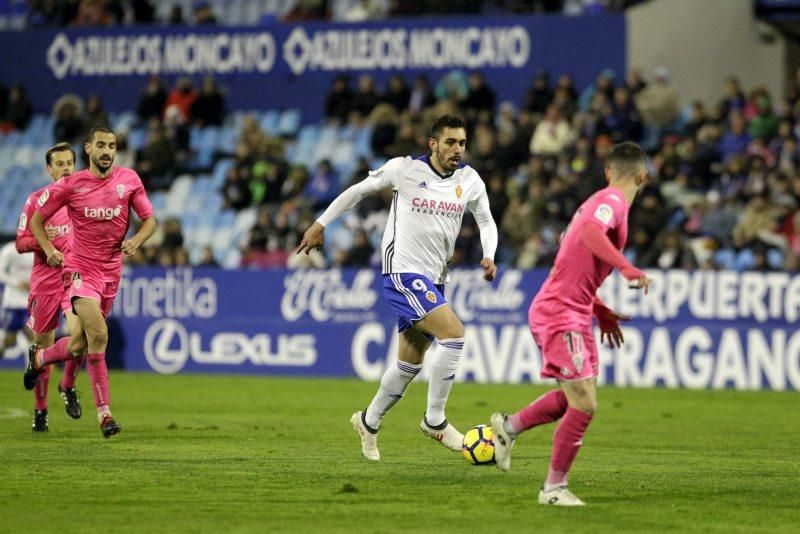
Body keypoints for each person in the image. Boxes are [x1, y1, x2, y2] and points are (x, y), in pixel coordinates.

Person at [297, 114, 498, 460]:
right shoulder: (404, 170)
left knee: (410, 363)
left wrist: (489, 254)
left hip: (435, 276)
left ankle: (368, 421)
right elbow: (359, 191)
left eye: (463, 143)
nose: (458, 150)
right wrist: (320, 223)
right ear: (432, 143)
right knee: (454, 334)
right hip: (402, 271)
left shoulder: (470, 180)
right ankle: (435, 421)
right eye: (450, 142)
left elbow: (485, 219)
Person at [489, 142, 652, 506]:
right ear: (643, 177)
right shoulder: (611, 203)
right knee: (585, 404)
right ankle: (553, 489)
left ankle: (509, 427)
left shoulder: (594, 202)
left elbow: (572, 262)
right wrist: (627, 267)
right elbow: (593, 235)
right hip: (560, 313)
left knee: (573, 398)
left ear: (608, 170)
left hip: (575, 310)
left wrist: (602, 310)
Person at [23, 125, 158, 439]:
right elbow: (36, 220)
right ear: (88, 149)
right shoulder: (72, 185)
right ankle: (105, 415)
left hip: (111, 273)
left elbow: (150, 221)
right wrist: (48, 248)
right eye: (101, 145)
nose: (107, 151)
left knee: (79, 344)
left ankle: (40, 357)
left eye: (112, 145)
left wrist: (137, 240)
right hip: (80, 270)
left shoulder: (129, 180)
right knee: (98, 334)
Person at [16, 142, 87, 432]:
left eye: (69, 162)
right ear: (49, 168)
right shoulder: (35, 201)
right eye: (59, 163)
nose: (65, 168)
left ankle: (68, 385)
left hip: (74, 278)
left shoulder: (84, 198)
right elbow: (21, 243)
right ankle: (40, 411)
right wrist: (42, 239)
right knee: (45, 346)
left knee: (82, 334)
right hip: (45, 281)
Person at [0, 242, 33, 357]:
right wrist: (16, 283)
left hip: (29, 302)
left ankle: (31, 372)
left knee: (33, 335)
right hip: (12, 302)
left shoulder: (38, 249)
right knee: (9, 341)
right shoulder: (9, 250)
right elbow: (0, 273)